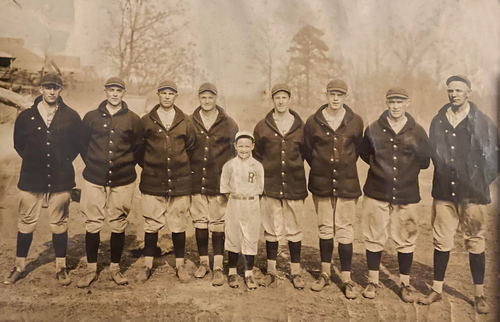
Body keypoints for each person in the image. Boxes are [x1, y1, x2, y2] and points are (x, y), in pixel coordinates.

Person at [418, 75, 499, 314]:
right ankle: (436, 289)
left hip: (473, 195)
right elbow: (433, 152)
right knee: (441, 240)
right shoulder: (438, 120)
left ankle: (479, 295)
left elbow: (495, 156)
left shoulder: (482, 122)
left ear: (468, 93)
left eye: (458, 91)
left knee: (475, 241)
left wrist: (480, 180)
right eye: (450, 90)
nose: (454, 94)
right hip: (444, 192)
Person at [4, 73, 82, 286]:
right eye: (47, 87)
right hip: (32, 177)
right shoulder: (26, 116)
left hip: (61, 177)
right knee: (27, 221)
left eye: (55, 87)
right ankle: (19, 266)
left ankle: (61, 267)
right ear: (40, 89)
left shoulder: (71, 116)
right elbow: (19, 145)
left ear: (60, 90)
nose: (51, 91)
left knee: (59, 222)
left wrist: (62, 162)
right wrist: (35, 161)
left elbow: (77, 145)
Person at [359, 87, 430, 302]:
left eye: (400, 102)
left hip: (407, 193)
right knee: (374, 235)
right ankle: (372, 281)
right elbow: (365, 153)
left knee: (406, 237)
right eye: (392, 102)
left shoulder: (417, 131)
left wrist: (405, 175)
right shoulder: (374, 129)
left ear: (407, 103)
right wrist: (382, 172)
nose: (396, 106)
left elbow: (425, 161)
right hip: (377, 190)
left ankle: (405, 284)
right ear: (387, 103)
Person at [78, 77, 143, 287]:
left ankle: (115, 268)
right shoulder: (91, 117)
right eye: (111, 90)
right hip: (94, 178)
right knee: (93, 222)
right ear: (105, 92)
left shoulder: (133, 119)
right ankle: (91, 269)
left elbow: (138, 148)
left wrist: (124, 165)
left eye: (119, 90)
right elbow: (82, 144)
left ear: (124, 93)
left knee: (118, 222)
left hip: (123, 178)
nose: (115, 94)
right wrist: (95, 163)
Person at [303, 79, 364, 298]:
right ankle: (325, 274)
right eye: (332, 94)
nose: (335, 98)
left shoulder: (355, 121)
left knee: (345, 229)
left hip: (347, 183)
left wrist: (342, 166)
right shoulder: (313, 121)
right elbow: (309, 151)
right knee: (325, 228)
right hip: (321, 182)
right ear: (326, 95)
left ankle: (346, 278)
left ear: (345, 97)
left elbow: (356, 150)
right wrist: (322, 168)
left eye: (340, 95)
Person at [137, 80, 196, 283]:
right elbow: (138, 149)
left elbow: (191, 147)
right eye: (163, 93)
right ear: (158, 95)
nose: (167, 97)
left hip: (180, 182)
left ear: (176, 96)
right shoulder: (146, 120)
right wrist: (151, 166)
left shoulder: (185, 121)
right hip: (153, 181)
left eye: (171, 93)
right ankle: (147, 265)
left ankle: (180, 266)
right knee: (152, 224)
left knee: (178, 224)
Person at [253, 83, 308, 289]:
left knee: (294, 229)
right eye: (277, 97)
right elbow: (257, 156)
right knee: (271, 229)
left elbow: (308, 153)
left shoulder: (300, 126)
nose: (281, 101)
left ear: (289, 99)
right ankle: (272, 270)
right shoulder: (262, 126)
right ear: (273, 100)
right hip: (271, 186)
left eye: (284, 97)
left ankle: (295, 271)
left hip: (294, 185)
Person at [189, 83, 238, 286]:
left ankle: (218, 265)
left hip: (218, 182)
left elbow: (235, 154)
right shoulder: (190, 121)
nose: (207, 101)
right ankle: (203, 263)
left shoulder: (229, 123)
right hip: (196, 181)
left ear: (216, 98)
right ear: (199, 98)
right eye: (203, 97)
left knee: (217, 223)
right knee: (200, 221)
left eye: (210, 97)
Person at [220, 131, 264, 289]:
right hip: (235, 203)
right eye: (241, 146)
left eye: (247, 146)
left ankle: (249, 273)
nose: (244, 149)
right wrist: (236, 199)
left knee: (250, 236)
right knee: (233, 235)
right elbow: (225, 188)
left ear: (252, 146)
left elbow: (260, 188)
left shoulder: (257, 166)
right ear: (235, 146)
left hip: (251, 204)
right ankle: (232, 272)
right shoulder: (230, 165)